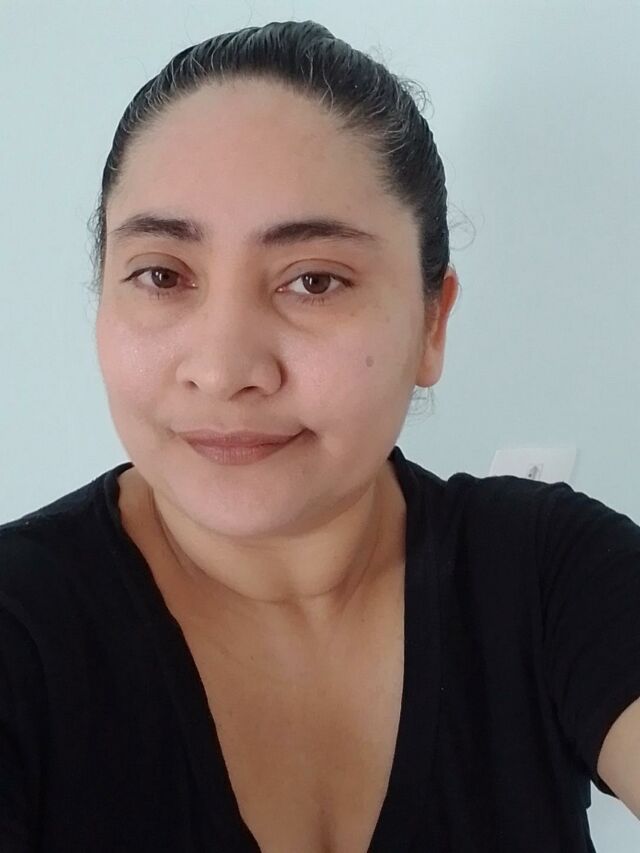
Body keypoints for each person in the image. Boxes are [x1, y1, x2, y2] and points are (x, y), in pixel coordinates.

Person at [1, 19, 639, 853]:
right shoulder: (20, 630)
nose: (223, 369)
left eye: (313, 280)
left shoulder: (550, 575)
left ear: (431, 325)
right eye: (161, 274)